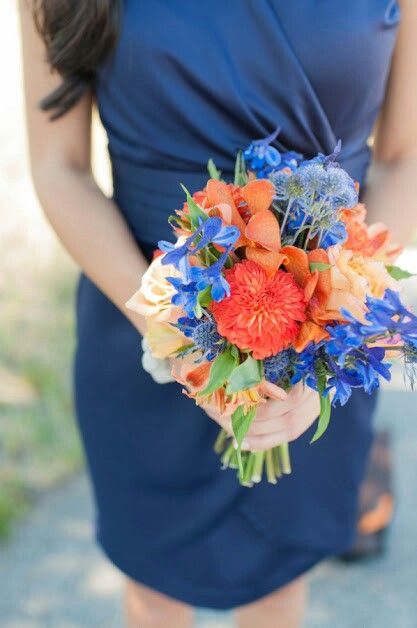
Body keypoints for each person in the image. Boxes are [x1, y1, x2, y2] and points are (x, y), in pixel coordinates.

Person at [19, 1, 417, 626]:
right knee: (153, 587)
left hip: (320, 326)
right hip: (141, 310)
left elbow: (404, 158)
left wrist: (332, 328)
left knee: (281, 579)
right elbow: (58, 167)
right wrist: (175, 334)